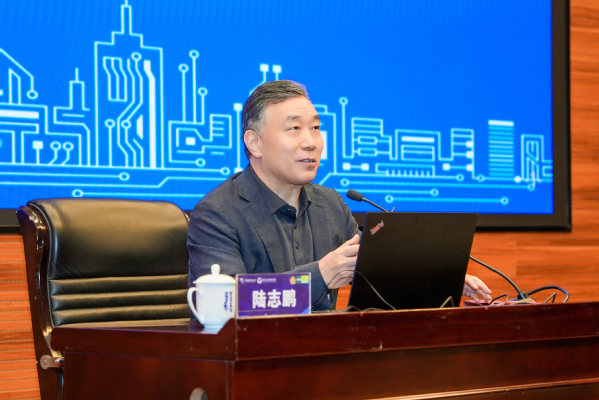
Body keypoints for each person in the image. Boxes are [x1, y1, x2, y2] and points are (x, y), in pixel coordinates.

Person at [187, 80, 492, 310]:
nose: (311, 142)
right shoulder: (217, 212)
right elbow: (225, 303)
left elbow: (374, 269)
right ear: (254, 143)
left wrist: (436, 278)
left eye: (315, 128)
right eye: (294, 128)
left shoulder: (330, 204)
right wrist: (321, 274)